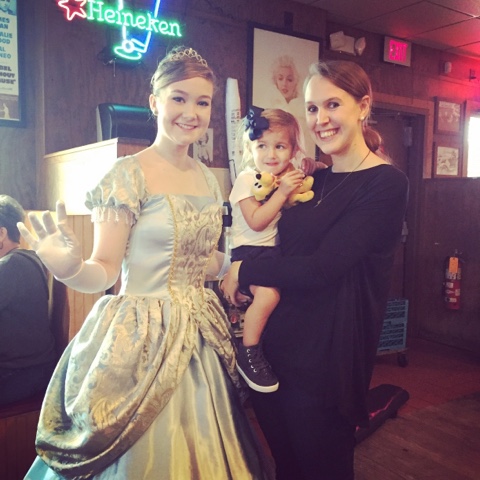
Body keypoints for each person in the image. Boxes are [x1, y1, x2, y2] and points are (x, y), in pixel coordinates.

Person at [19, 46, 271, 479]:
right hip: (141, 337)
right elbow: (104, 269)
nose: (191, 112)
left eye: (202, 102)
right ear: (155, 102)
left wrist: (234, 269)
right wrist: (68, 268)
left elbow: (202, 260)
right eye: (179, 98)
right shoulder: (127, 174)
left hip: (201, 335)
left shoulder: (209, 178)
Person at [221, 59, 409, 480]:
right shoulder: (311, 181)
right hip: (272, 349)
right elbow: (269, 238)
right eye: (311, 108)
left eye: (332, 105)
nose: (320, 119)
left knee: (324, 468)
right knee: (286, 466)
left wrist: (245, 272)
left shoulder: (385, 183)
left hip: (326, 358)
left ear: (363, 106)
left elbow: (324, 269)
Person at [228, 107, 307, 394]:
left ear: (293, 150)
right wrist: (283, 192)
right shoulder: (247, 179)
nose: (270, 154)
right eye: (262, 146)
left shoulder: (283, 177)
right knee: (268, 295)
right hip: (249, 252)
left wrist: (310, 169)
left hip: (273, 253)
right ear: (250, 148)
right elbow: (257, 221)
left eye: (280, 146)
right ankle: (248, 352)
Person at [0, 195, 56, 407]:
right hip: (33, 369)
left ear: (2, 233)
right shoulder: (29, 258)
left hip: (21, 374)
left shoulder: (10, 266)